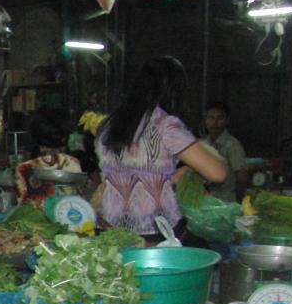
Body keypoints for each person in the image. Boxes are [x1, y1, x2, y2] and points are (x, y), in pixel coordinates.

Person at [95, 56, 227, 236]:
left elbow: (131, 169)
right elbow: (217, 173)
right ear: (173, 91)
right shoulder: (165, 125)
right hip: (153, 230)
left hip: (109, 228)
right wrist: (189, 168)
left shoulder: (110, 124)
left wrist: (172, 174)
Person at [15, 110, 83, 206]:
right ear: (63, 137)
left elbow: (22, 206)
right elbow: (78, 201)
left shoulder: (23, 169)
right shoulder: (74, 163)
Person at [202, 101, 248, 202]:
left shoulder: (232, 145)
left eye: (220, 118)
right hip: (206, 203)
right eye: (211, 118)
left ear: (227, 121)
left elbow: (242, 178)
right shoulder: (203, 144)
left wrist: (238, 203)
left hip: (227, 203)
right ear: (206, 121)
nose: (215, 122)